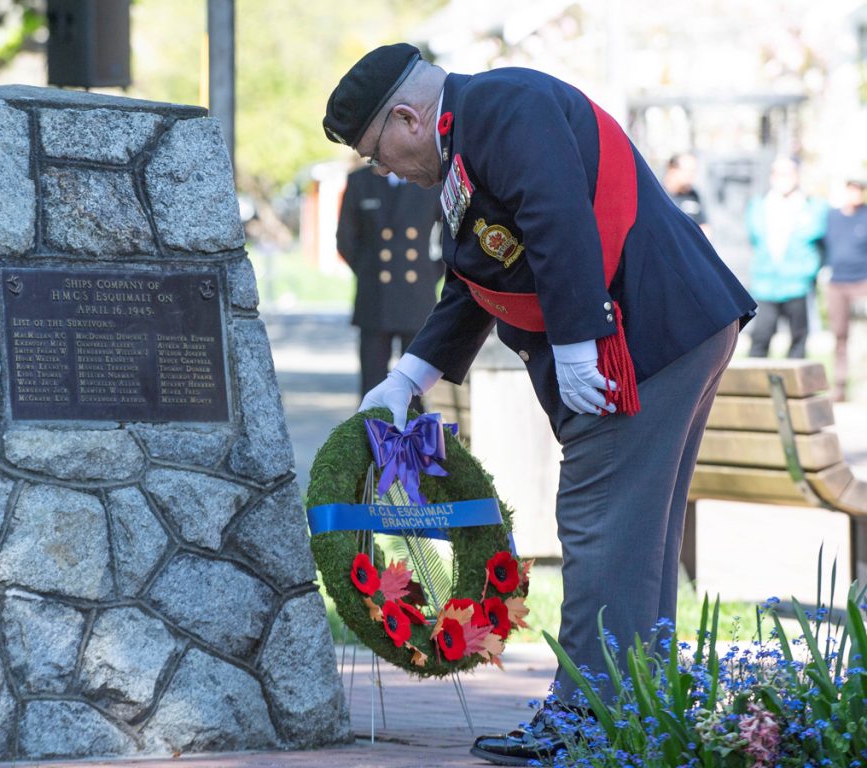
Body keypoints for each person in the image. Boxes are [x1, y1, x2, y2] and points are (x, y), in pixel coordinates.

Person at [323, 43, 756, 766]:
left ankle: (584, 721)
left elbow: (557, 217)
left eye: (377, 153)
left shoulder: (502, 108)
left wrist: (582, 342)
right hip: (671, 325)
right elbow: (476, 278)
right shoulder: (472, 139)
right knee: (635, 538)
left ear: (404, 117)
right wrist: (408, 378)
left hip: (642, 336)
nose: (384, 170)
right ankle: (636, 713)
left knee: (600, 524)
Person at [336, 166, 444, 407]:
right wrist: (368, 271)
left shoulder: (430, 180)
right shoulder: (360, 181)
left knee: (415, 386)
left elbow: (451, 230)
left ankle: (414, 442)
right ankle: (371, 441)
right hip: (375, 297)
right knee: (372, 384)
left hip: (417, 297)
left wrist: (432, 271)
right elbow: (345, 239)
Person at [745, 156, 828, 359]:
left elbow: (821, 243)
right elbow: (755, 239)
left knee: (799, 339)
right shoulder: (759, 205)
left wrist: (809, 271)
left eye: (787, 173)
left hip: (797, 284)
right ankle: (753, 389)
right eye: (778, 173)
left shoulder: (812, 206)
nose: (782, 178)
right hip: (766, 284)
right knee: (760, 337)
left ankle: (792, 390)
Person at [824, 178, 867, 401]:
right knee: (840, 336)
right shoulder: (832, 217)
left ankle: (862, 385)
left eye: (859, 190)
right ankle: (840, 386)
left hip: (862, 282)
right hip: (837, 282)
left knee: (862, 337)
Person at [663, 151, 711, 237]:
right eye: (688, 171)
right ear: (672, 170)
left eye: (694, 171)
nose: (692, 175)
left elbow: (704, 227)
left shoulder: (693, 195)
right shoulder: (660, 195)